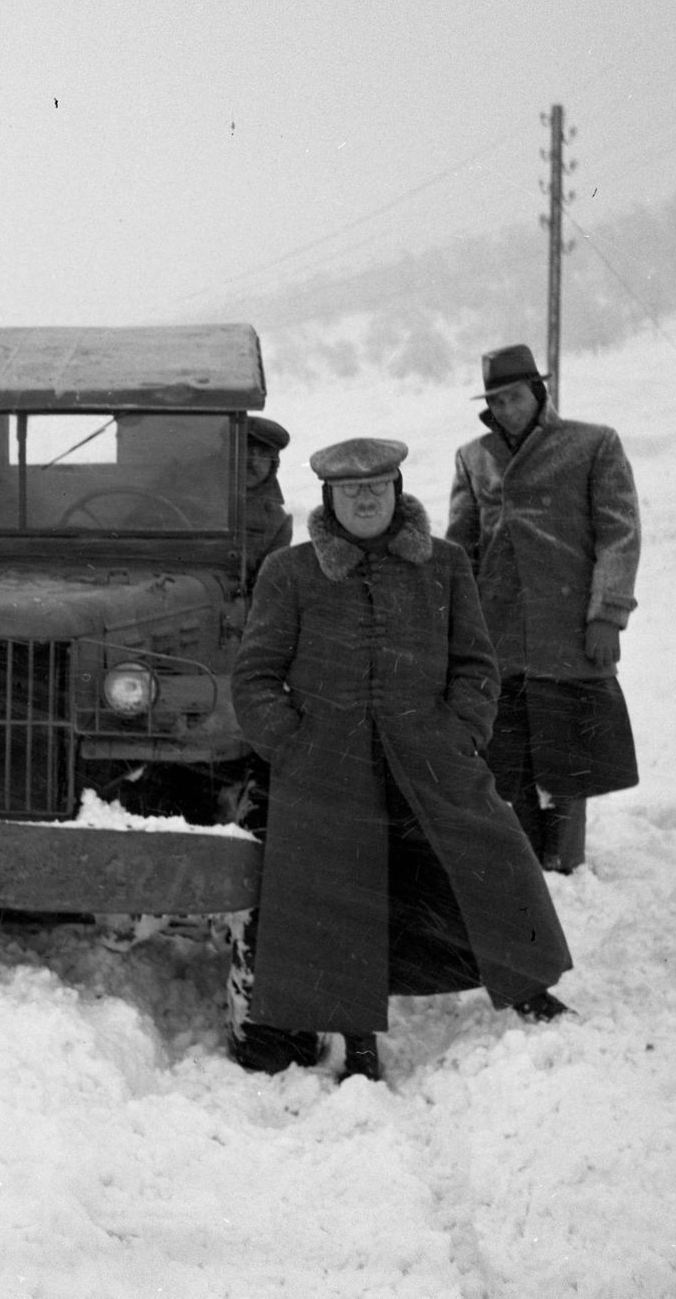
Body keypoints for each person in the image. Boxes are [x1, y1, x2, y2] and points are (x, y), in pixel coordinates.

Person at [230, 436, 575, 1083]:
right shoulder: (290, 572)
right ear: (329, 498)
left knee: (493, 860)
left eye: (376, 486)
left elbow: (476, 664)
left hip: (432, 757)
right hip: (328, 769)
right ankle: (357, 1042)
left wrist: (460, 730)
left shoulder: (442, 565)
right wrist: (292, 746)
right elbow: (253, 677)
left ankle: (528, 985)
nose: (364, 498)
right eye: (350, 490)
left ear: (396, 491)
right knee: (340, 897)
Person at [447, 344, 641, 875]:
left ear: (538, 393)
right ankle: (526, 862)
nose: (505, 408)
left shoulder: (591, 444)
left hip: (568, 631)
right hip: (498, 632)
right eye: (496, 400)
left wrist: (608, 613)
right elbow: (461, 549)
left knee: (569, 754)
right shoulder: (474, 456)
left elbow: (619, 534)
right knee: (507, 757)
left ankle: (567, 863)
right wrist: (454, 625)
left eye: (513, 397)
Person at [243, 415, 294, 574]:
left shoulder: (277, 522)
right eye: (248, 453)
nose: (254, 463)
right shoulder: (196, 498)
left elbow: (270, 586)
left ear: (273, 465)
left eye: (263, 455)